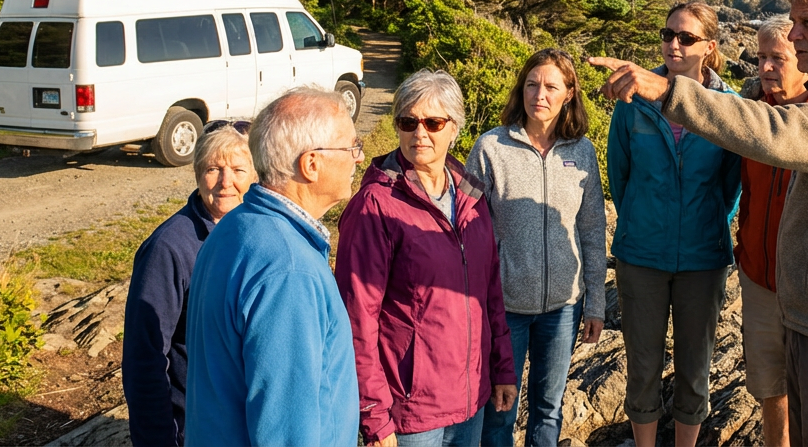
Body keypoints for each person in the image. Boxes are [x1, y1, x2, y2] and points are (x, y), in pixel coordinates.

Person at [590, 0, 808, 447]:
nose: (796, 33)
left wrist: (668, 91)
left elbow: (777, 133)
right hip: (804, 307)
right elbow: (623, 176)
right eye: (794, 22)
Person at [336, 70, 517, 447]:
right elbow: (356, 319)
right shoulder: (376, 205)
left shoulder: (472, 196)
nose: (420, 132)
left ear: (454, 128)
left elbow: (490, 295)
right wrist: (373, 415)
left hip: (471, 399)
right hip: (411, 412)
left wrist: (502, 369)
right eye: (408, 121)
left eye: (433, 122)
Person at [184, 88, 363, 446]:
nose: (358, 158)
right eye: (350, 147)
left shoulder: (236, 226)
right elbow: (288, 431)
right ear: (311, 164)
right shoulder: (288, 268)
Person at [606, 2, 742, 447]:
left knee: (695, 367)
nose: (673, 44)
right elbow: (619, 176)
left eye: (685, 38)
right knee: (642, 367)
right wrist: (646, 222)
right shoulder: (632, 101)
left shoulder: (728, 106)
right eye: (667, 35)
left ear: (710, 47)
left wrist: (700, 225)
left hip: (703, 258)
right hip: (641, 254)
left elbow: (731, 188)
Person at [468, 49, 608, 447]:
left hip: (564, 308)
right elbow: (466, 226)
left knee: (549, 410)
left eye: (551, 86)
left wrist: (595, 302)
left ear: (569, 94)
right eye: (532, 84)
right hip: (504, 307)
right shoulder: (490, 147)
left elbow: (593, 230)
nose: (539, 95)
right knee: (499, 410)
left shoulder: (582, 152)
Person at [122, 120, 254, 446]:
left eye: (238, 169)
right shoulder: (169, 248)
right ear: (197, 173)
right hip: (193, 430)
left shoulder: (254, 232)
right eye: (213, 169)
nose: (226, 182)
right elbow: (144, 358)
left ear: (256, 175)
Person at [734, 17, 808, 447]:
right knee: (770, 390)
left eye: (776, 58)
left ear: (801, 59)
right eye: (760, 57)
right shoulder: (752, 114)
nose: (764, 67)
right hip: (759, 278)